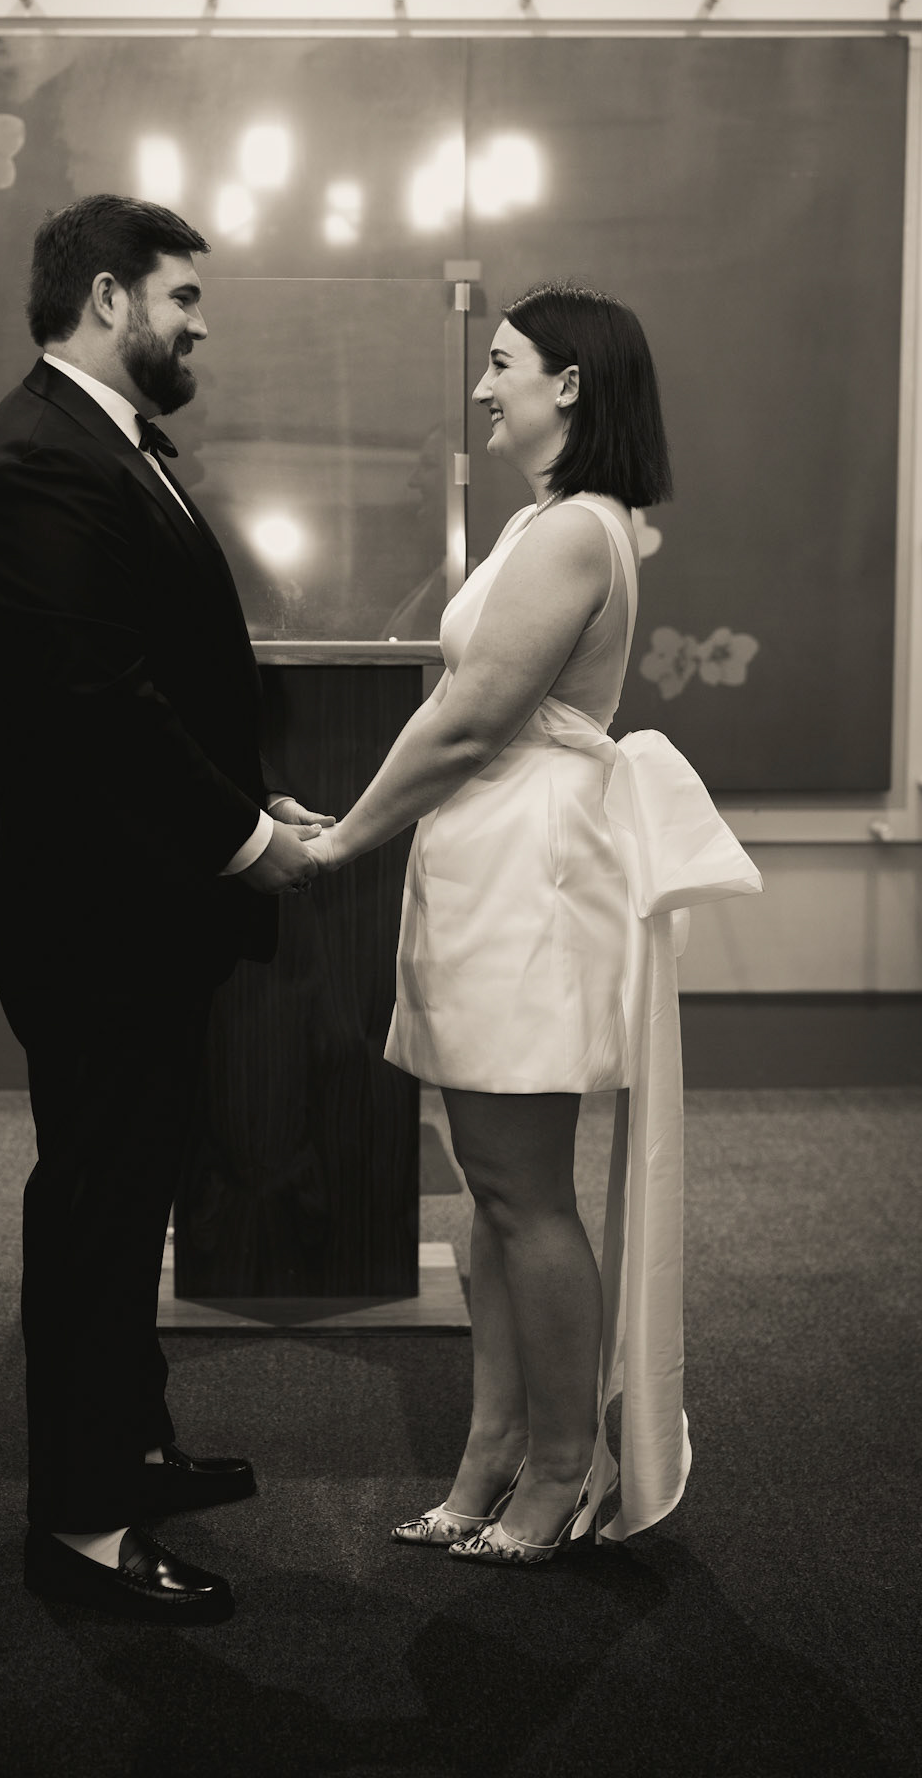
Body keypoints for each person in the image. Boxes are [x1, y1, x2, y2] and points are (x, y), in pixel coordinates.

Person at [304, 282, 760, 1562]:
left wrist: (342, 838)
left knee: (522, 1190)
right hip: (496, 855)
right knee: (495, 1190)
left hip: (528, 867)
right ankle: (492, 1448)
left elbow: (468, 715)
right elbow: (465, 708)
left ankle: (564, 1462)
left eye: (500, 362)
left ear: (569, 384)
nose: (481, 384)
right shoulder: (549, 518)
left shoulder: (571, 532)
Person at [0, 195, 329, 1624]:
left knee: (135, 1195)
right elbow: (93, 710)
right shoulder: (43, 462)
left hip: (136, 911)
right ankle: (84, 1526)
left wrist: (251, 800)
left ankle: (137, 1446)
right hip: (93, 922)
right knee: (99, 1218)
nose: (199, 323)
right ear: (107, 298)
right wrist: (237, 839)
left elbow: (162, 673)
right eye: (180, 297)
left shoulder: (110, 448)